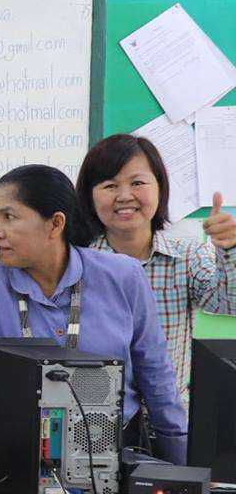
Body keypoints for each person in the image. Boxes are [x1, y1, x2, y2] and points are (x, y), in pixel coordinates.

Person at [0, 164, 185, 459]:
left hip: (115, 451)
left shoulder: (123, 277)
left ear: (55, 224)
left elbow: (155, 373)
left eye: (9, 217)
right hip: (15, 455)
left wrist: (179, 459)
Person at [78, 132, 236, 400]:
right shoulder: (78, 265)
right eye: (110, 186)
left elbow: (229, 304)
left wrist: (230, 249)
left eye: (137, 183)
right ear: (89, 197)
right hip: (95, 415)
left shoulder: (186, 257)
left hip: (169, 417)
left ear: (160, 188)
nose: (124, 196)